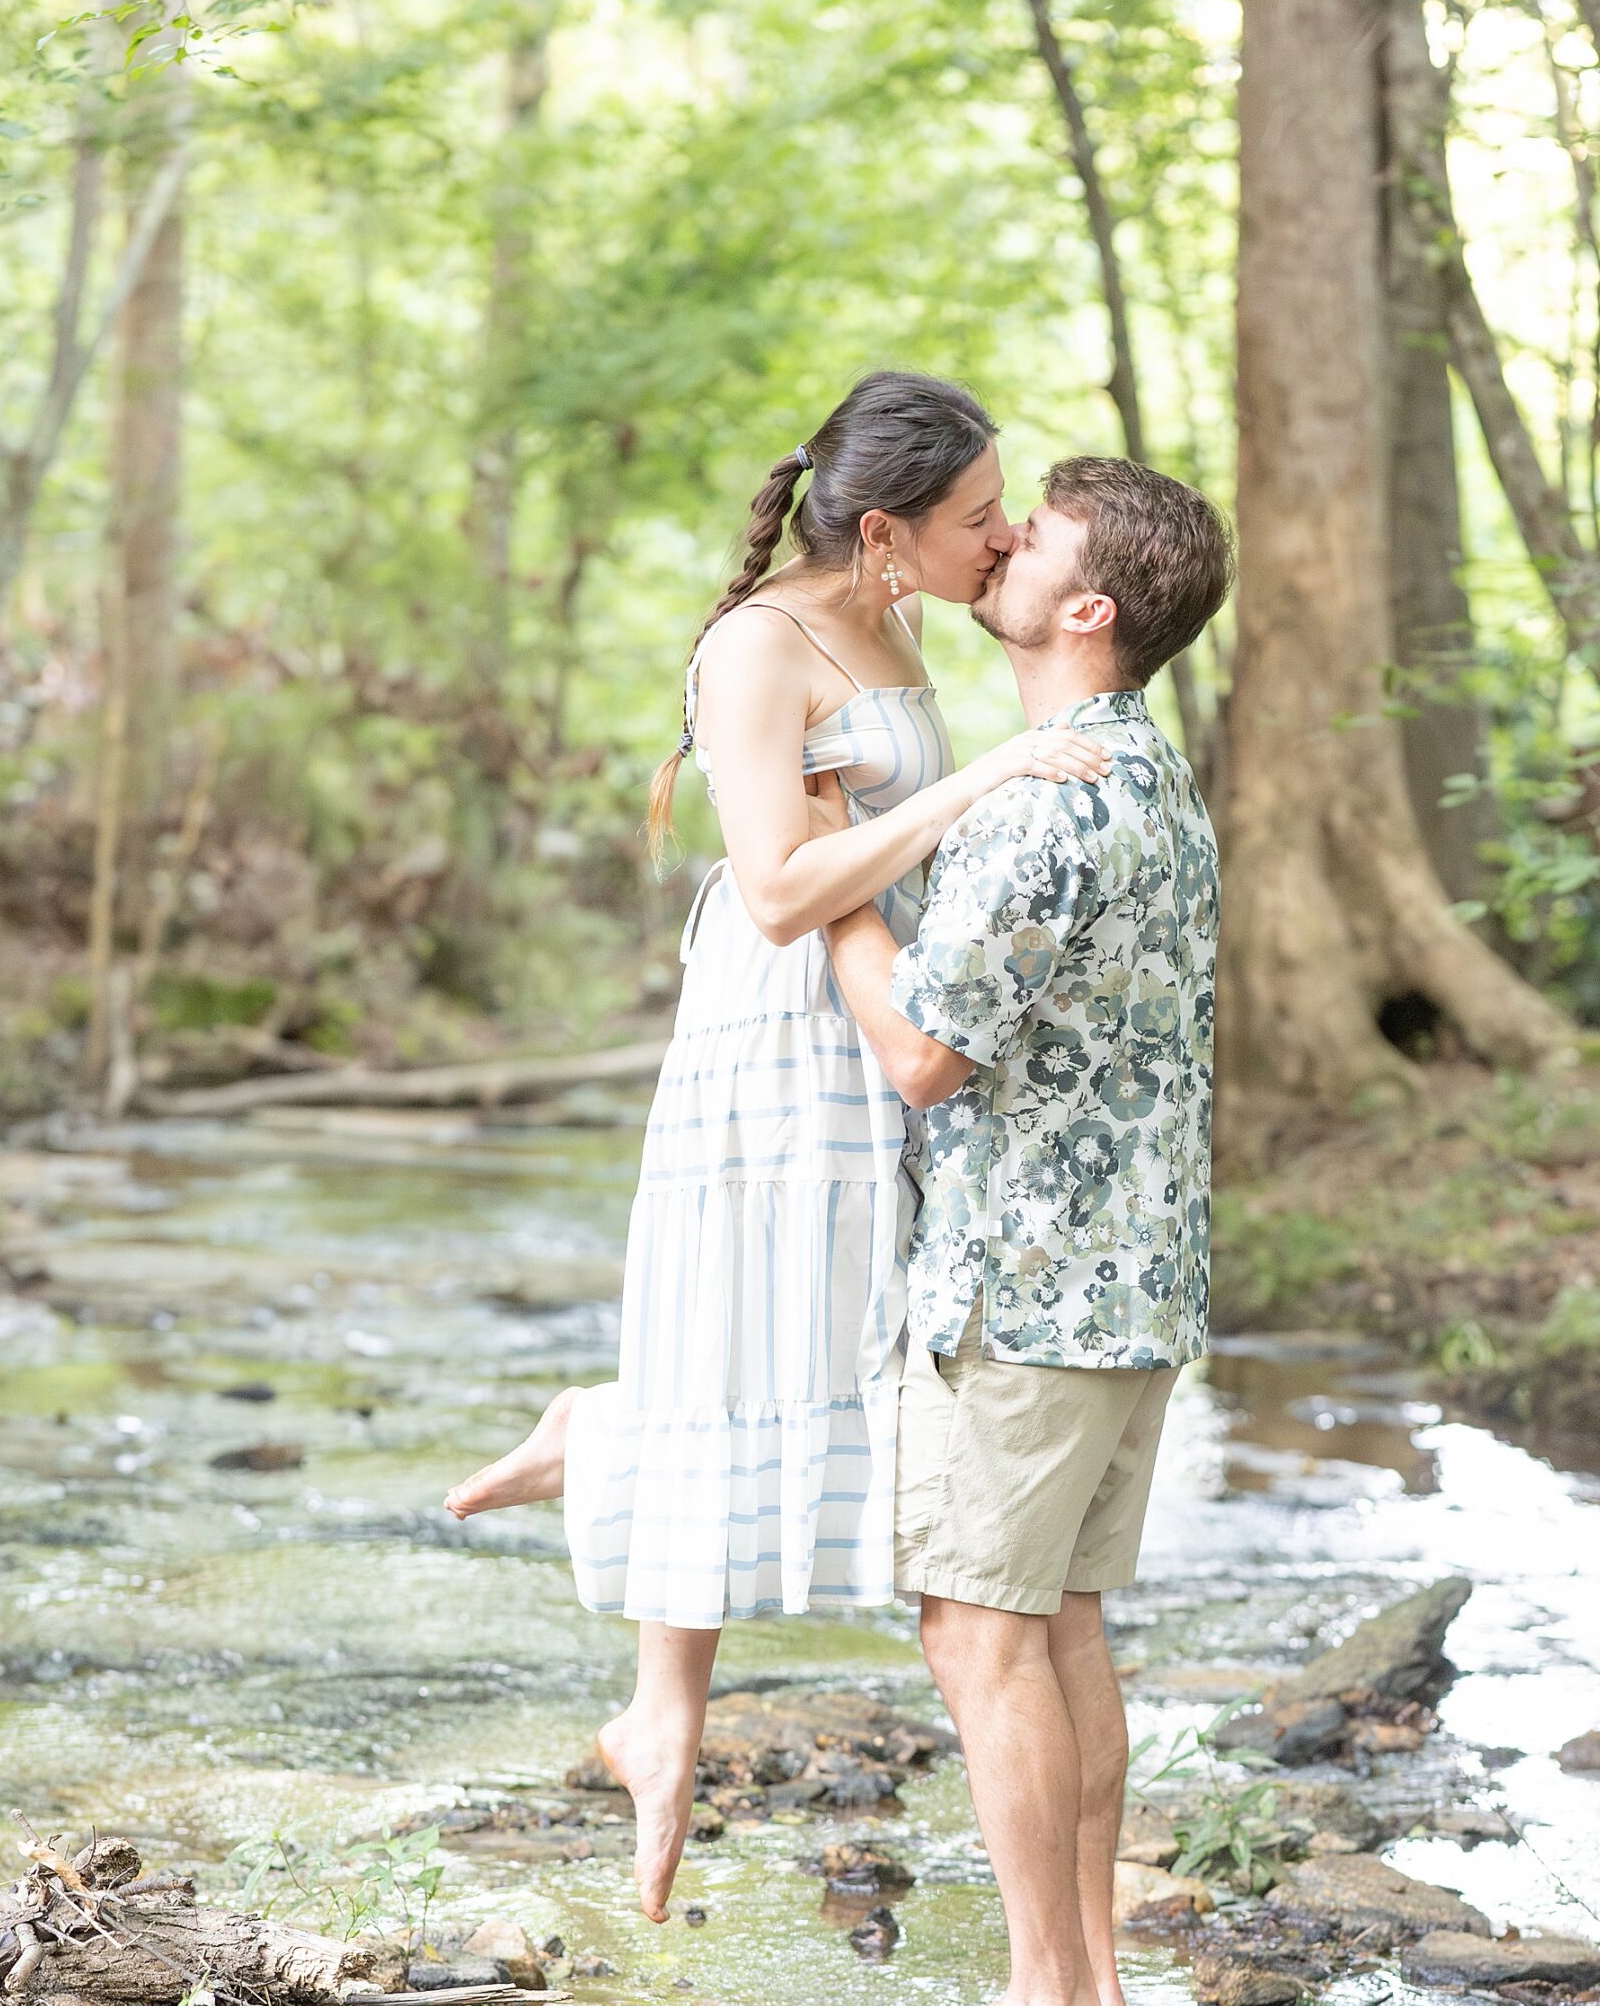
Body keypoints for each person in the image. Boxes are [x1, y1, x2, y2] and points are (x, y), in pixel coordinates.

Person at [444, 372, 1115, 1922]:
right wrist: (984, 778)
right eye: (976, 514)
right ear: (883, 532)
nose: (1002, 535)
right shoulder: (757, 647)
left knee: (827, 1337)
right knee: (768, 1328)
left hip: (877, 1016)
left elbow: (869, 847)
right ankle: (642, 1617)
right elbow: (773, 890)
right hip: (777, 1032)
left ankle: (608, 1456)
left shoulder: (901, 624)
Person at [820, 454, 1232, 2006]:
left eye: (1033, 536)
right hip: (1132, 1286)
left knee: (979, 1635)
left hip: (1028, 1288)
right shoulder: (1152, 773)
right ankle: (1084, 2002)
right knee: (1060, 1630)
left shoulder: (1048, 800)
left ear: (1088, 608)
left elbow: (925, 1054)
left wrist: (837, 889)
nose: (998, 543)